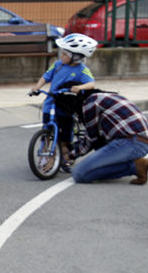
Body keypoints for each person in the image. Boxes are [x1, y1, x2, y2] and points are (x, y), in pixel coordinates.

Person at [27, 33, 98, 171]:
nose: (61, 56)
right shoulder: (58, 65)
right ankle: (46, 155)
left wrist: (80, 87)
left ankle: (65, 156)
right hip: (50, 103)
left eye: (65, 54)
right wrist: (37, 87)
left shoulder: (82, 70)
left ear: (76, 56)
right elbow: (46, 76)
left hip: (66, 105)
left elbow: (91, 84)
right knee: (47, 129)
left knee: (66, 133)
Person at [57, 89, 148, 185]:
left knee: (79, 173)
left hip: (130, 142)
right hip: (143, 142)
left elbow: (91, 139)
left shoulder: (90, 103)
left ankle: (135, 167)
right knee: (97, 154)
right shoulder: (104, 98)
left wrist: (69, 156)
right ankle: (134, 164)